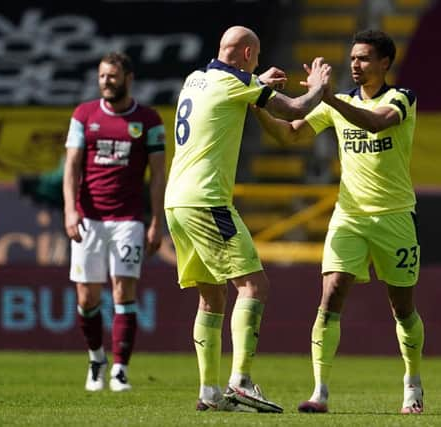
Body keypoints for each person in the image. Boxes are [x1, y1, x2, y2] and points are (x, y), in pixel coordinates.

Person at [253, 29, 424, 414]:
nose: (355, 65)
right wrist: (256, 101)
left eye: (363, 58)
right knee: (331, 296)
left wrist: (325, 95)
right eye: (352, 59)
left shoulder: (402, 99)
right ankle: (320, 391)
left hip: (395, 217)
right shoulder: (336, 104)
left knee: (403, 308)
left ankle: (412, 382)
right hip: (349, 216)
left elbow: (376, 123)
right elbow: (288, 134)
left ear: (384, 63)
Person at [164, 25, 331, 412]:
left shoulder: (196, 79)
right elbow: (294, 110)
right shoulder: (235, 82)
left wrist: (255, 80)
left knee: (212, 294)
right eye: (254, 58)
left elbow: (233, 91)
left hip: (177, 201)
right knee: (254, 286)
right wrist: (319, 86)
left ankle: (209, 393)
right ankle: (240, 382)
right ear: (246, 54)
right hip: (208, 201)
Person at [63, 52, 166, 392]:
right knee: (86, 297)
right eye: (102, 76)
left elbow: (158, 176)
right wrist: (70, 210)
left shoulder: (149, 120)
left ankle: (120, 368)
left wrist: (156, 223)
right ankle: (96, 360)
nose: (106, 82)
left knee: (124, 290)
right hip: (89, 218)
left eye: (112, 76)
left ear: (128, 78)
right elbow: (72, 167)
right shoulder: (84, 115)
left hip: (128, 219)